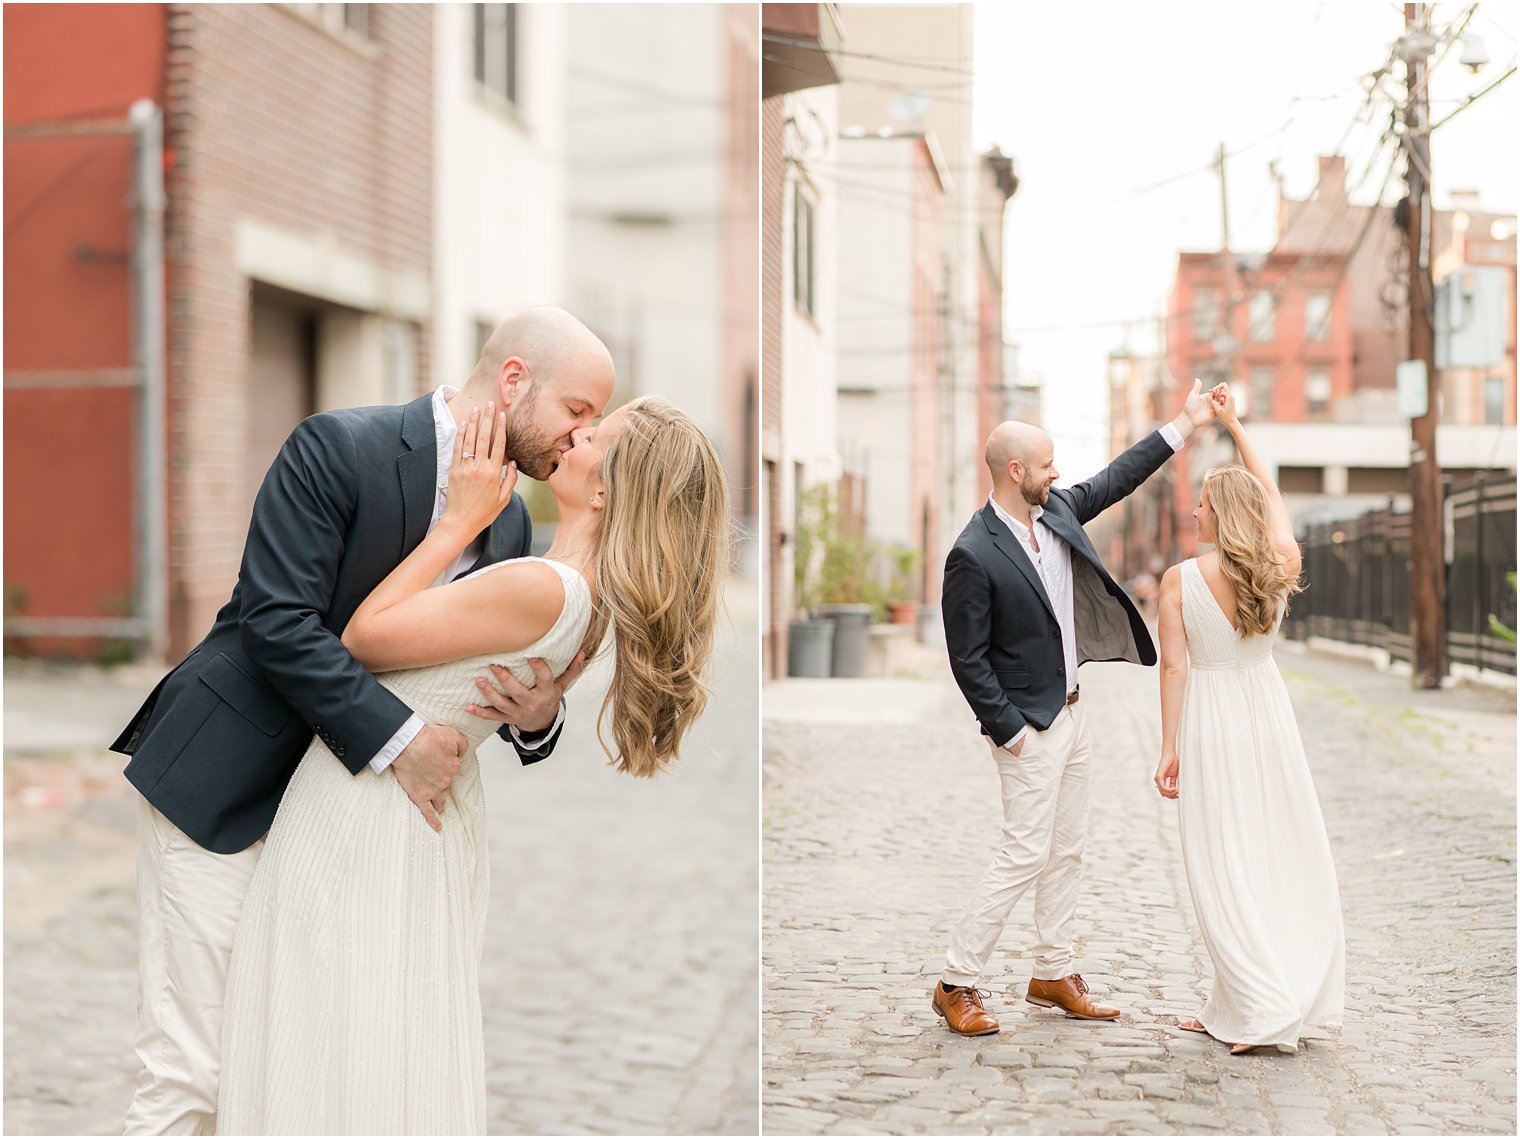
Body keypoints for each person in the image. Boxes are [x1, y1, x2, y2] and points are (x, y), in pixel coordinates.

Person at [112, 307, 615, 1135]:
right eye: (578, 411)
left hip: (342, 836)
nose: (580, 435)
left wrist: (540, 713)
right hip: (225, 786)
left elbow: (474, 673)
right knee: (195, 1069)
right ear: (516, 380)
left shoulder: (516, 524)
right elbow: (278, 622)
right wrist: (404, 740)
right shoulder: (338, 446)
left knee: (287, 1065)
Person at [213, 393, 728, 1133]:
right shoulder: (582, 593)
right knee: (373, 1036)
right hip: (414, 819)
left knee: (321, 1029)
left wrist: (457, 522)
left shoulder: (539, 584)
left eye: (594, 433)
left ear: (609, 487)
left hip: (364, 813)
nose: (575, 434)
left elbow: (364, 635)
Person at [932, 380, 1220, 1036]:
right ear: (1015, 472)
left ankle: (1053, 970)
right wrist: (1011, 733)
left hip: (1074, 712)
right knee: (1023, 852)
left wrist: (1185, 422)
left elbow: (1118, 477)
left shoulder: (1057, 511)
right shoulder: (971, 555)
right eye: (1046, 464)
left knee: (1068, 850)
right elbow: (967, 658)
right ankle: (956, 979)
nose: (1058, 472)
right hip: (1027, 729)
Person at [1155, 385, 1344, 1055]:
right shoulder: (1278, 563)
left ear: (1218, 512)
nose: (1195, 507)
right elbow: (1274, 497)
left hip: (1211, 719)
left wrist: (1168, 746)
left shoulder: (1180, 579)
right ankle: (1231, 1000)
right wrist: (1235, 427)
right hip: (1268, 719)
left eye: (1203, 500)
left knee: (1220, 858)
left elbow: (1174, 669)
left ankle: (1261, 1006)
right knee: (1263, 851)